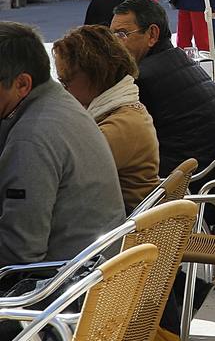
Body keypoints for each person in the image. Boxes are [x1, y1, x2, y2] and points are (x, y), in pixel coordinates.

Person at [0, 22, 125, 266]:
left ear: (22, 84)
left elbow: (19, 252)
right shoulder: (57, 100)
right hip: (97, 267)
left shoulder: (32, 137)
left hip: (64, 286)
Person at [109, 0, 215, 176]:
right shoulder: (180, 58)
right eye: (111, 36)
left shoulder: (143, 78)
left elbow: (123, 143)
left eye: (122, 34)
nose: (114, 45)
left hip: (191, 185)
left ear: (152, 35)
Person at [52, 25, 160, 212]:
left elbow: (62, 176)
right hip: (126, 222)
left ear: (95, 74)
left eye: (66, 81)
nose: (63, 90)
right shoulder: (124, 111)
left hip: (123, 232)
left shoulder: (121, 126)